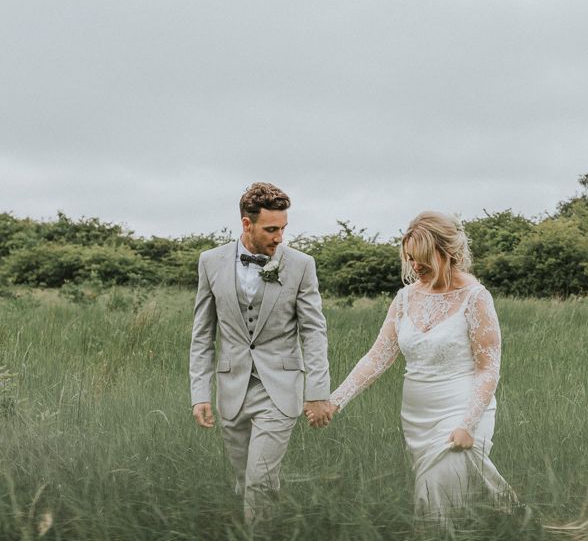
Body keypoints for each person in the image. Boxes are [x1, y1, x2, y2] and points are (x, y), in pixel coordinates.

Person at [327, 211, 517, 520]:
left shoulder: (475, 297)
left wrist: (467, 425)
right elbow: (378, 357)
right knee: (442, 500)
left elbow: (488, 368)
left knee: (435, 494)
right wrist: (335, 401)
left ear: (447, 253)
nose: (415, 267)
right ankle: (501, 529)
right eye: (411, 259)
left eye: (423, 259)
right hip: (416, 420)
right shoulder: (404, 298)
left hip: (462, 410)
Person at [189, 183, 333, 522]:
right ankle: (267, 540)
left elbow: (314, 331)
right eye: (271, 229)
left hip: (280, 388)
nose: (279, 237)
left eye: (283, 228)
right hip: (231, 388)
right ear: (246, 224)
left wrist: (317, 392)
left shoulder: (301, 265)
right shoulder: (210, 262)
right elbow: (202, 334)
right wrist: (199, 393)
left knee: (260, 481)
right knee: (244, 481)